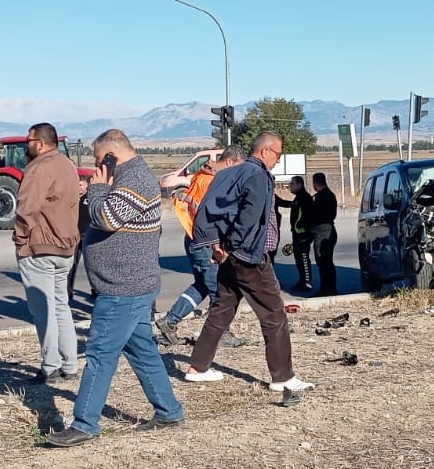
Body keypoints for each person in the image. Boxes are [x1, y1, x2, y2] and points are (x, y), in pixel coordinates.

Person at [45, 130, 184, 447]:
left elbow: (107, 219)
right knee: (142, 351)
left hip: (124, 287)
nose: (96, 167)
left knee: (100, 354)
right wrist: (94, 191)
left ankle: (85, 424)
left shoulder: (134, 178)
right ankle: (169, 411)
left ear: (111, 155)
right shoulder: (123, 179)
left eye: (97, 160)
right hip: (128, 285)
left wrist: (95, 191)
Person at [183, 131, 312, 395]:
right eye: (277, 153)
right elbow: (249, 217)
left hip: (228, 254)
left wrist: (215, 244)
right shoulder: (258, 175)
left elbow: (207, 209)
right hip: (248, 255)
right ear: (265, 151)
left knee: (222, 310)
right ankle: (283, 378)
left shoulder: (226, 173)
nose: (278, 159)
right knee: (274, 314)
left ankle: (197, 367)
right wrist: (230, 246)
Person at [155, 144, 247, 347]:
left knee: (202, 285)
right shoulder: (212, 181)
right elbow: (215, 216)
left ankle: (169, 322)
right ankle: (220, 333)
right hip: (206, 241)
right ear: (230, 161)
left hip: (195, 238)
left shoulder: (202, 175)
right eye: (238, 167)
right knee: (218, 289)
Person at [14, 123, 81, 382]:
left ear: (40, 143)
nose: (26, 145)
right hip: (66, 247)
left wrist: (21, 241)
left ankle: (50, 366)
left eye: (28, 141)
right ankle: (70, 364)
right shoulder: (67, 165)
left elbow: (26, 209)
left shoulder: (38, 168)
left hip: (40, 247)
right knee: (61, 305)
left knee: (44, 310)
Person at [277, 174, 313, 291]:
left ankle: (307, 282)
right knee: (298, 259)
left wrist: (300, 228)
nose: (290, 187)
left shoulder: (305, 198)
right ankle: (302, 280)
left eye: (292, 184)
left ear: (299, 184)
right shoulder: (297, 198)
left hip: (303, 234)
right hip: (297, 234)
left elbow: (307, 216)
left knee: (303, 258)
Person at [308, 171, 339, 295]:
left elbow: (317, 216)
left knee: (324, 261)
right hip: (328, 230)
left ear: (315, 183)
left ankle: (327, 289)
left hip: (323, 232)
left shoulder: (320, 197)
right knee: (326, 261)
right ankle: (329, 287)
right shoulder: (330, 195)